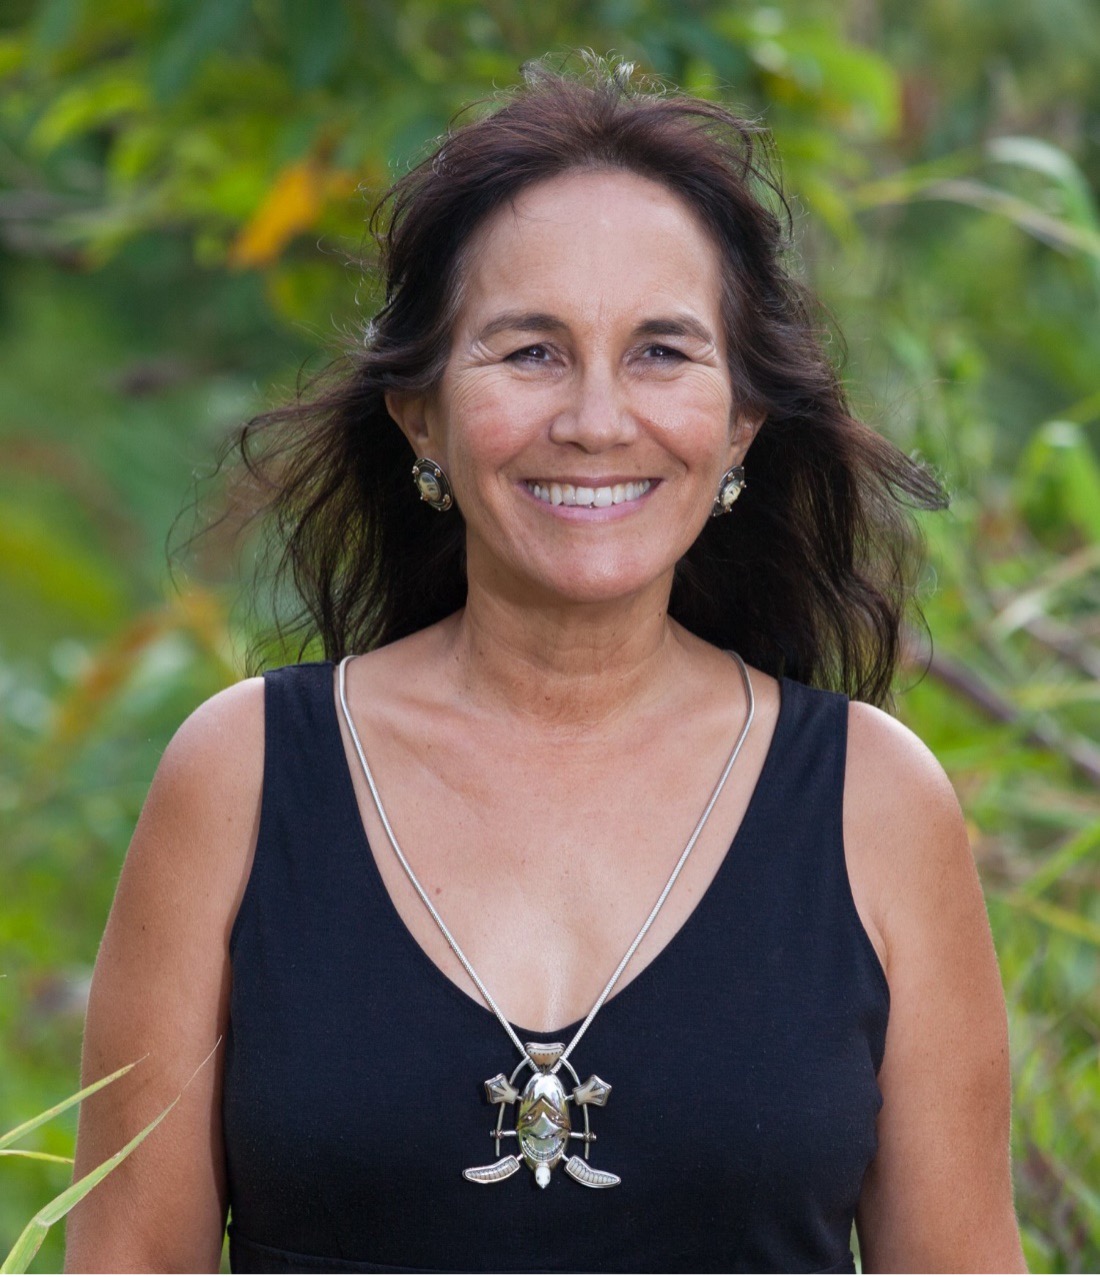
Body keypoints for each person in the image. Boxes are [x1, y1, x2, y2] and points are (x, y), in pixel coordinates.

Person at [65, 60, 1027, 1273]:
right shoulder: (242, 778)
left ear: (739, 421)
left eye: (660, 351)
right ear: (420, 412)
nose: (594, 419)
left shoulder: (872, 802)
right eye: (529, 351)